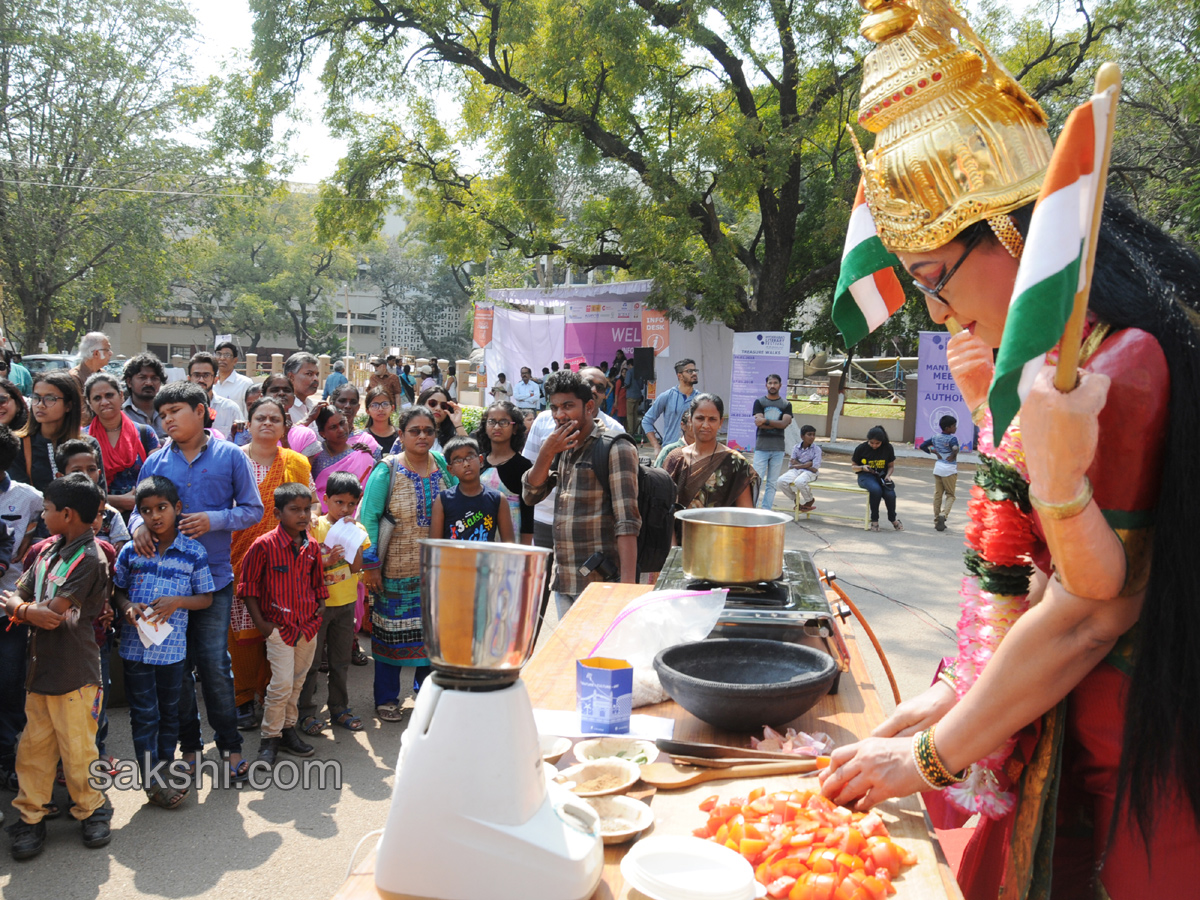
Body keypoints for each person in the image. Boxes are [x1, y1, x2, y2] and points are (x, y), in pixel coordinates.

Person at [816, 12, 1200, 895]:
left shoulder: (1118, 367)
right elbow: (1016, 584)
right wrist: (951, 697)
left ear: (1011, 232)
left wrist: (933, 756)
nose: (939, 316)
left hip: (1126, 750)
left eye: (933, 282)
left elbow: (1089, 612)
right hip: (1049, 721)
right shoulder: (1048, 368)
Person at [128, 381, 263, 782]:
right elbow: (139, 508)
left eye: (175, 412)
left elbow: (253, 510)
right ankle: (190, 747)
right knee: (176, 668)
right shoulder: (155, 461)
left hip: (214, 581)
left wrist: (215, 519)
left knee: (214, 665)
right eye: (163, 414)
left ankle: (230, 746)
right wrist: (136, 525)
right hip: (163, 585)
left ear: (201, 411)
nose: (167, 419)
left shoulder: (230, 457)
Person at [4, 474, 111, 859]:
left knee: (79, 750)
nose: (44, 514)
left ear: (67, 514)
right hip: (41, 671)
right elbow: (24, 591)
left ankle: (92, 809)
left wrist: (16, 608)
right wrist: (22, 604)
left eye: (47, 509)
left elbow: (51, 616)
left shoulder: (90, 558)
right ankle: (31, 815)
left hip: (74, 674)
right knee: (33, 750)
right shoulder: (49, 553)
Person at [112, 476, 214, 811]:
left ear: (177, 508)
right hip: (135, 648)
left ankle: (164, 767)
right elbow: (118, 590)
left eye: (162, 508)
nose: (156, 516)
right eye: (147, 511)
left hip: (172, 652)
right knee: (144, 714)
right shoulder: (132, 550)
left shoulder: (193, 551)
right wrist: (127, 607)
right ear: (139, 514)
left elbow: (206, 598)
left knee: (169, 712)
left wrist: (177, 602)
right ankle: (151, 779)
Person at [359, 406, 456, 721]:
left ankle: (424, 694)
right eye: (415, 430)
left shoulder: (441, 465)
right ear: (401, 435)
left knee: (430, 636)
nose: (423, 436)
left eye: (429, 430)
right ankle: (387, 698)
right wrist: (371, 564)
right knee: (390, 635)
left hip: (436, 573)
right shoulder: (386, 470)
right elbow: (368, 518)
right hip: (394, 570)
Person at [522, 369, 639, 621]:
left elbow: (627, 521)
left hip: (601, 584)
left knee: (599, 658)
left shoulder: (615, 446)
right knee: (573, 659)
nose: (559, 415)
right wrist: (547, 451)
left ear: (588, 406)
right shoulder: (562, 445)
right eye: (554, 408)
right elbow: (531, 495)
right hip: (565, 581)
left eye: (568, 406)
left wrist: (627, 589)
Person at [229, 397, 314, 732]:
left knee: (280, 633)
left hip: (285, 567)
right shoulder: (232, 459)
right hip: (239, 561)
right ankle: (243, 698)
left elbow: (310, 506)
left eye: (274, 419)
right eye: (260, 418)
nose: (267, 423)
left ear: (284, 426)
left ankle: (272, 700)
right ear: (247, 424)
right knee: (244, 635)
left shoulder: (296, 462)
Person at [238, 482, 326, 767]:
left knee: (298, 683)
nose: (303, 515)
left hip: (307, 627)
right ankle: (270, 738)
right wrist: (264, 625)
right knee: (281, 684)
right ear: (277, 513)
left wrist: (318, 614)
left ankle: (289, 729)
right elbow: (248, 587)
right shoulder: (263, 546)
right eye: (294, 510)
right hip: (279, 628)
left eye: (306, 509)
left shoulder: (311, 546)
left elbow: (318, 584)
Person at [298, 471, 369, 736]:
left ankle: (339, 708)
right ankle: (305, 712)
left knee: (340, 661)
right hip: (316, 605)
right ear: (326, 500)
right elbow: (303, 563)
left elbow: (356, 568)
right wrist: (325, 558)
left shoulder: (357, 529)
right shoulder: (314, 526)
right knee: (311, 663)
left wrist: (354, 540)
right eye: (339, 502)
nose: (345, 509)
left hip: (345, 603)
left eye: (352, 504)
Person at [0, 425, 38, 792]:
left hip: (9, 611)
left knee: (11, 683)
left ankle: (12, 759)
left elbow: (55, 522)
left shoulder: (27, 498)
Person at [9, 372, 106, 495]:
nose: (40, 405)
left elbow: (100, 494)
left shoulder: (88, 444)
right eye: (36, 398)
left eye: (50, 399)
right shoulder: (19, 443)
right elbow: (20, 496)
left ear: (69, 405)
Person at [666, 394, 758, 520]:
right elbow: (663, 508)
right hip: (679, 537)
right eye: (700, 418)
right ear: (691, 420)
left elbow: (746, 516)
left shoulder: (736, 463)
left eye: (712, 419)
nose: (705, 425)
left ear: (720, 422)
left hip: (721, 537)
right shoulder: (676, 459)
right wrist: (672, 540)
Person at [85, 371, 159, 515]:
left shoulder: (145, 433)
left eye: (109, 395)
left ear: (121, 395)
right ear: (90, 403)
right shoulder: (83, 438)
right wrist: (116, 501)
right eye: (97, 398)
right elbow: (80, 486)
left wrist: (139, 499)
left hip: (142, 515)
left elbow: (157, 477)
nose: (104, 402)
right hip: (97, 517)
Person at [475, 400, 534, 546]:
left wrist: (525, 555)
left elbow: (528, 515)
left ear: (515, 428)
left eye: (504, 422)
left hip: (511, 542)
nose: (496, 427)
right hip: (478, 535)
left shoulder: (523, 466)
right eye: (492, 421)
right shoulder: (478, 461)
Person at [432, 437, 514, 543]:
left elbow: (508, 544)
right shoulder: (443, 500)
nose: (466, 464)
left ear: (480, 461)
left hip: (485, 559)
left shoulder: (497, 499)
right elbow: (435, 545)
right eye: (458, 460)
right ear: (450, 469)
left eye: (470, 457)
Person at [311, 406, 380, 513]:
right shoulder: (315, 456)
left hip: (354, 520)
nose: (341, 430)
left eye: (342, 423)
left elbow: (371, 495)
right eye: (333, 427)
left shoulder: (363, 456)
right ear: (322, 433)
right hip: (320, 520)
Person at [751, 374, 793, 510]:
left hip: (778, 448)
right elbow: (759, 423)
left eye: (775, 383)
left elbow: (784, 424)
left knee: (772, 483)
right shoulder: (759, 402)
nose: (772, 385)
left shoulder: (786, 404)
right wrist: (777, 423)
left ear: (780, 385)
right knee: (756, 480)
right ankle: (752, 509)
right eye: (770, 383)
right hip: (761, 447)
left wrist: (766, 421)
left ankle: (766, 510)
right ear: (766, 385)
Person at [641, 358, 699, 454]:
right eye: (690, 371)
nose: (694, 373)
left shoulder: (700, 399)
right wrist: (656, 446)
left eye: (695, 370)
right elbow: (646, 421)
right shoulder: (667, 396)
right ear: (679, 375)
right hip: (670, 452)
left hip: (694, 452)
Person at [852, 426, 901, 532]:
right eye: (871, 443)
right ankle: (874, 520)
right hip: (865, 476)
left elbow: (891, 466)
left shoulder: (888, 448)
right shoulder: (861, 448)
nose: (874, 445)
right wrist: (862, 468)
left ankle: (893, 519)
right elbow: (853, 467)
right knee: (875, 490)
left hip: (882, 476)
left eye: (877, 443)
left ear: (882, 441)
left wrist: (888, 475)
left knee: (890, 494)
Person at [919, 415, 960, 531]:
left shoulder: (935, 437)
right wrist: (953, 455)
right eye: (953, 426)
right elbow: (955, 448)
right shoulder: (952, 439)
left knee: (938, 495)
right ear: (948, 428)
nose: (955, 428)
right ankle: (944, 515)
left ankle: (937, 520)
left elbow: (922, 446)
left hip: (938, 468)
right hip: (949, 469)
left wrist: (934, 452)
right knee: (950, 495)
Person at [188, 352, 240, 438]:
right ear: (189, 379)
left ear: (216, 379)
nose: (201, 380)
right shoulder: (182, 409)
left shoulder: (230, 409)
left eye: (206, 375)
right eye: (196, 375)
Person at [68, 332, 112, 423]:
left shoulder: (104, 375)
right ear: (96, 353)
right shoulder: (74, 378)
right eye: (107, 349)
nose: (111, 353)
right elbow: (82, 416)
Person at [122, 353, 167, 439]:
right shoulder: (121, 415)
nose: (149, 383)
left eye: (154, 378)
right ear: (129, 382)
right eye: (142, 377)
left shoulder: (169, 412)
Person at [776, 425, 821, 512]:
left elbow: (815, 468)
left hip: (810, 473)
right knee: (781, 481)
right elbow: (791, 465)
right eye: (809, 434)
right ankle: (796, 500)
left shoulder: (816, 449)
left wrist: (799, 464)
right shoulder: (796, 447)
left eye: (813, 435)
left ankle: (810, 500)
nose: (812, 437)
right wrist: (806, 464)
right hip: (796, 471)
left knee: (799, 482)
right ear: (802, 436)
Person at [416, 385, 467, 452]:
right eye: (433, 403)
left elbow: (469, 451)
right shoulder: (410, 434)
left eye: (443, 406)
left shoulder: (451, 439)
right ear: (422, 405)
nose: (438, 408)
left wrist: (457, 423)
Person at [212, 342, 254, 416]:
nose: (222, 358)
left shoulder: (245, 383)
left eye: (227, 355)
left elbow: (249, 414)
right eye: (218, 354)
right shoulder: (210, 382)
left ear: (235, 361)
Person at [284, 352, 321, 425]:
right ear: (291, 377)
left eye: (316, 375)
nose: (316, 379)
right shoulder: (284, 408)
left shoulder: (312, 405)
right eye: (309, 374)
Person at [364, 386, 399, 455]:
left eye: (385, 404)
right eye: (374, 405)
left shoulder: (400, 436)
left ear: (392, 408)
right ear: (367, 411)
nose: (380, 409)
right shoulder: (364, 437)